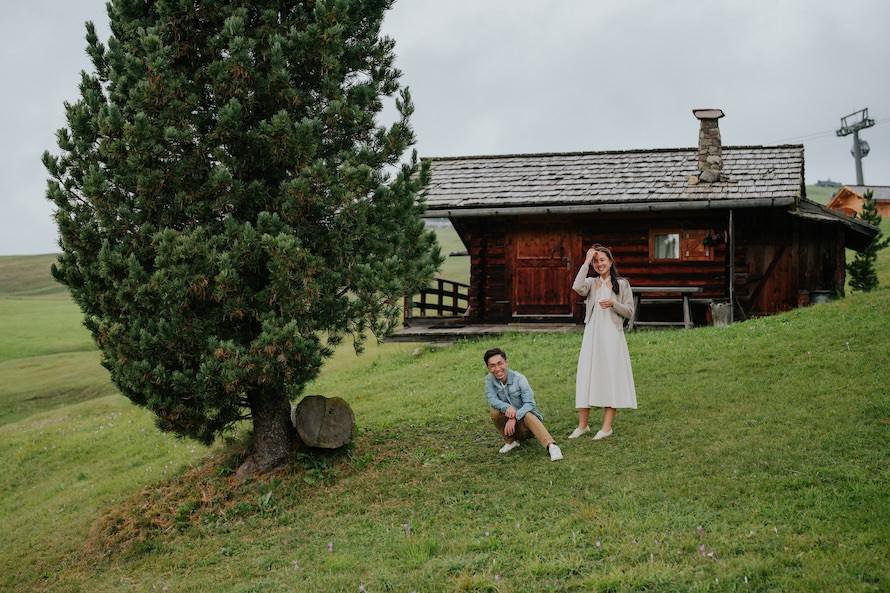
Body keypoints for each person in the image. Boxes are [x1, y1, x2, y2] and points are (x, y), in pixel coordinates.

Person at [569, 244, 637, 440]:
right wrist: (585, 262)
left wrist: (614, 304)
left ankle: (606, 427)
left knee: (610, 376)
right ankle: (583, 426)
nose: (599, 264)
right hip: (593, 335)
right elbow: (576, 287)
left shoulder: (622, 284)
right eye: (596, 261)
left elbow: (630, 312)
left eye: (602, 260)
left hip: (612, 337)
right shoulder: (591, 283)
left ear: (610, 261)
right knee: (586, 375)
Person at [483, 347, 563, 461]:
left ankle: (552, 446)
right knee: (495, 412)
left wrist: (514, 416)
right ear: (488, 367)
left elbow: (529, 404)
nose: (497, 368)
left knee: (528, 414)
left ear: (506, 362)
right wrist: (507, 408)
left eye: (500, 363)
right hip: (511, 428)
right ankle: (511, 442)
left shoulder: (519, 379)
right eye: (492, 365)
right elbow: (492, 400)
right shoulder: (489, 381)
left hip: (528, 426)